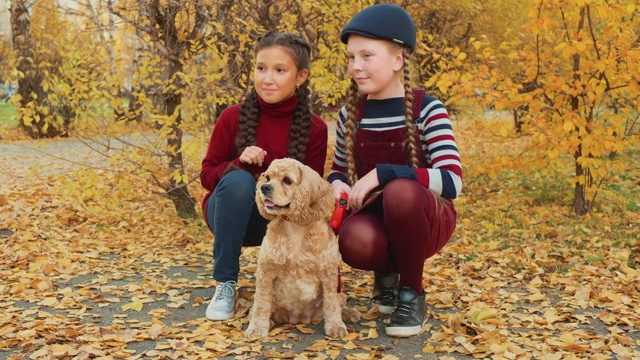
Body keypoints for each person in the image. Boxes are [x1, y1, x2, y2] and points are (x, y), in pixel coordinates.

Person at [329, 4, 463, 337]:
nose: (356, 67)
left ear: (397, 60)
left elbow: (452, 181)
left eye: (366, 56)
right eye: (351, 58)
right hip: (374, 214)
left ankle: (411, 291)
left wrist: (385, 173)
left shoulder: (427, 109)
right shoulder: (350, 115)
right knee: (354, 240)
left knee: (400, 191)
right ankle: (385, 273)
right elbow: (338, 172)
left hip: (426, 216)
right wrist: (336, 186)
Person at [200, 31, 328, 321]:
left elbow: (311, 195)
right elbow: (207, 176)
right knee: (240, 181)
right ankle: (225, 284)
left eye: (279, 70)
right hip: (229, 214)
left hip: (279, 220)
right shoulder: (231, 117)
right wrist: (238, 162)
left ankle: (288, 279)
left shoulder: (316, 129)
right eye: (261, 68)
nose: (267, 78)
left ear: (300, 77)